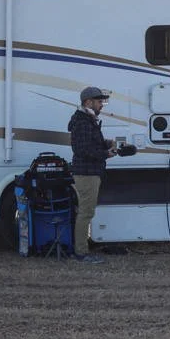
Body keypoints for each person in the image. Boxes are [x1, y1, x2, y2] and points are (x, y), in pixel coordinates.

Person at [67, 86, 117, 264]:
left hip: (88, 172)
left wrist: (106, 143)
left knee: (85, 212)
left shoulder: (86, 119)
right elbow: (83, 149)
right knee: (86, 212)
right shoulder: (83, 121)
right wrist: (106, 154)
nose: (102, 105)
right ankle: (81, 253)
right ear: (88, 102)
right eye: (99, 101)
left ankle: (81, 249)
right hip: (87, 173)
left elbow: (89, 143)